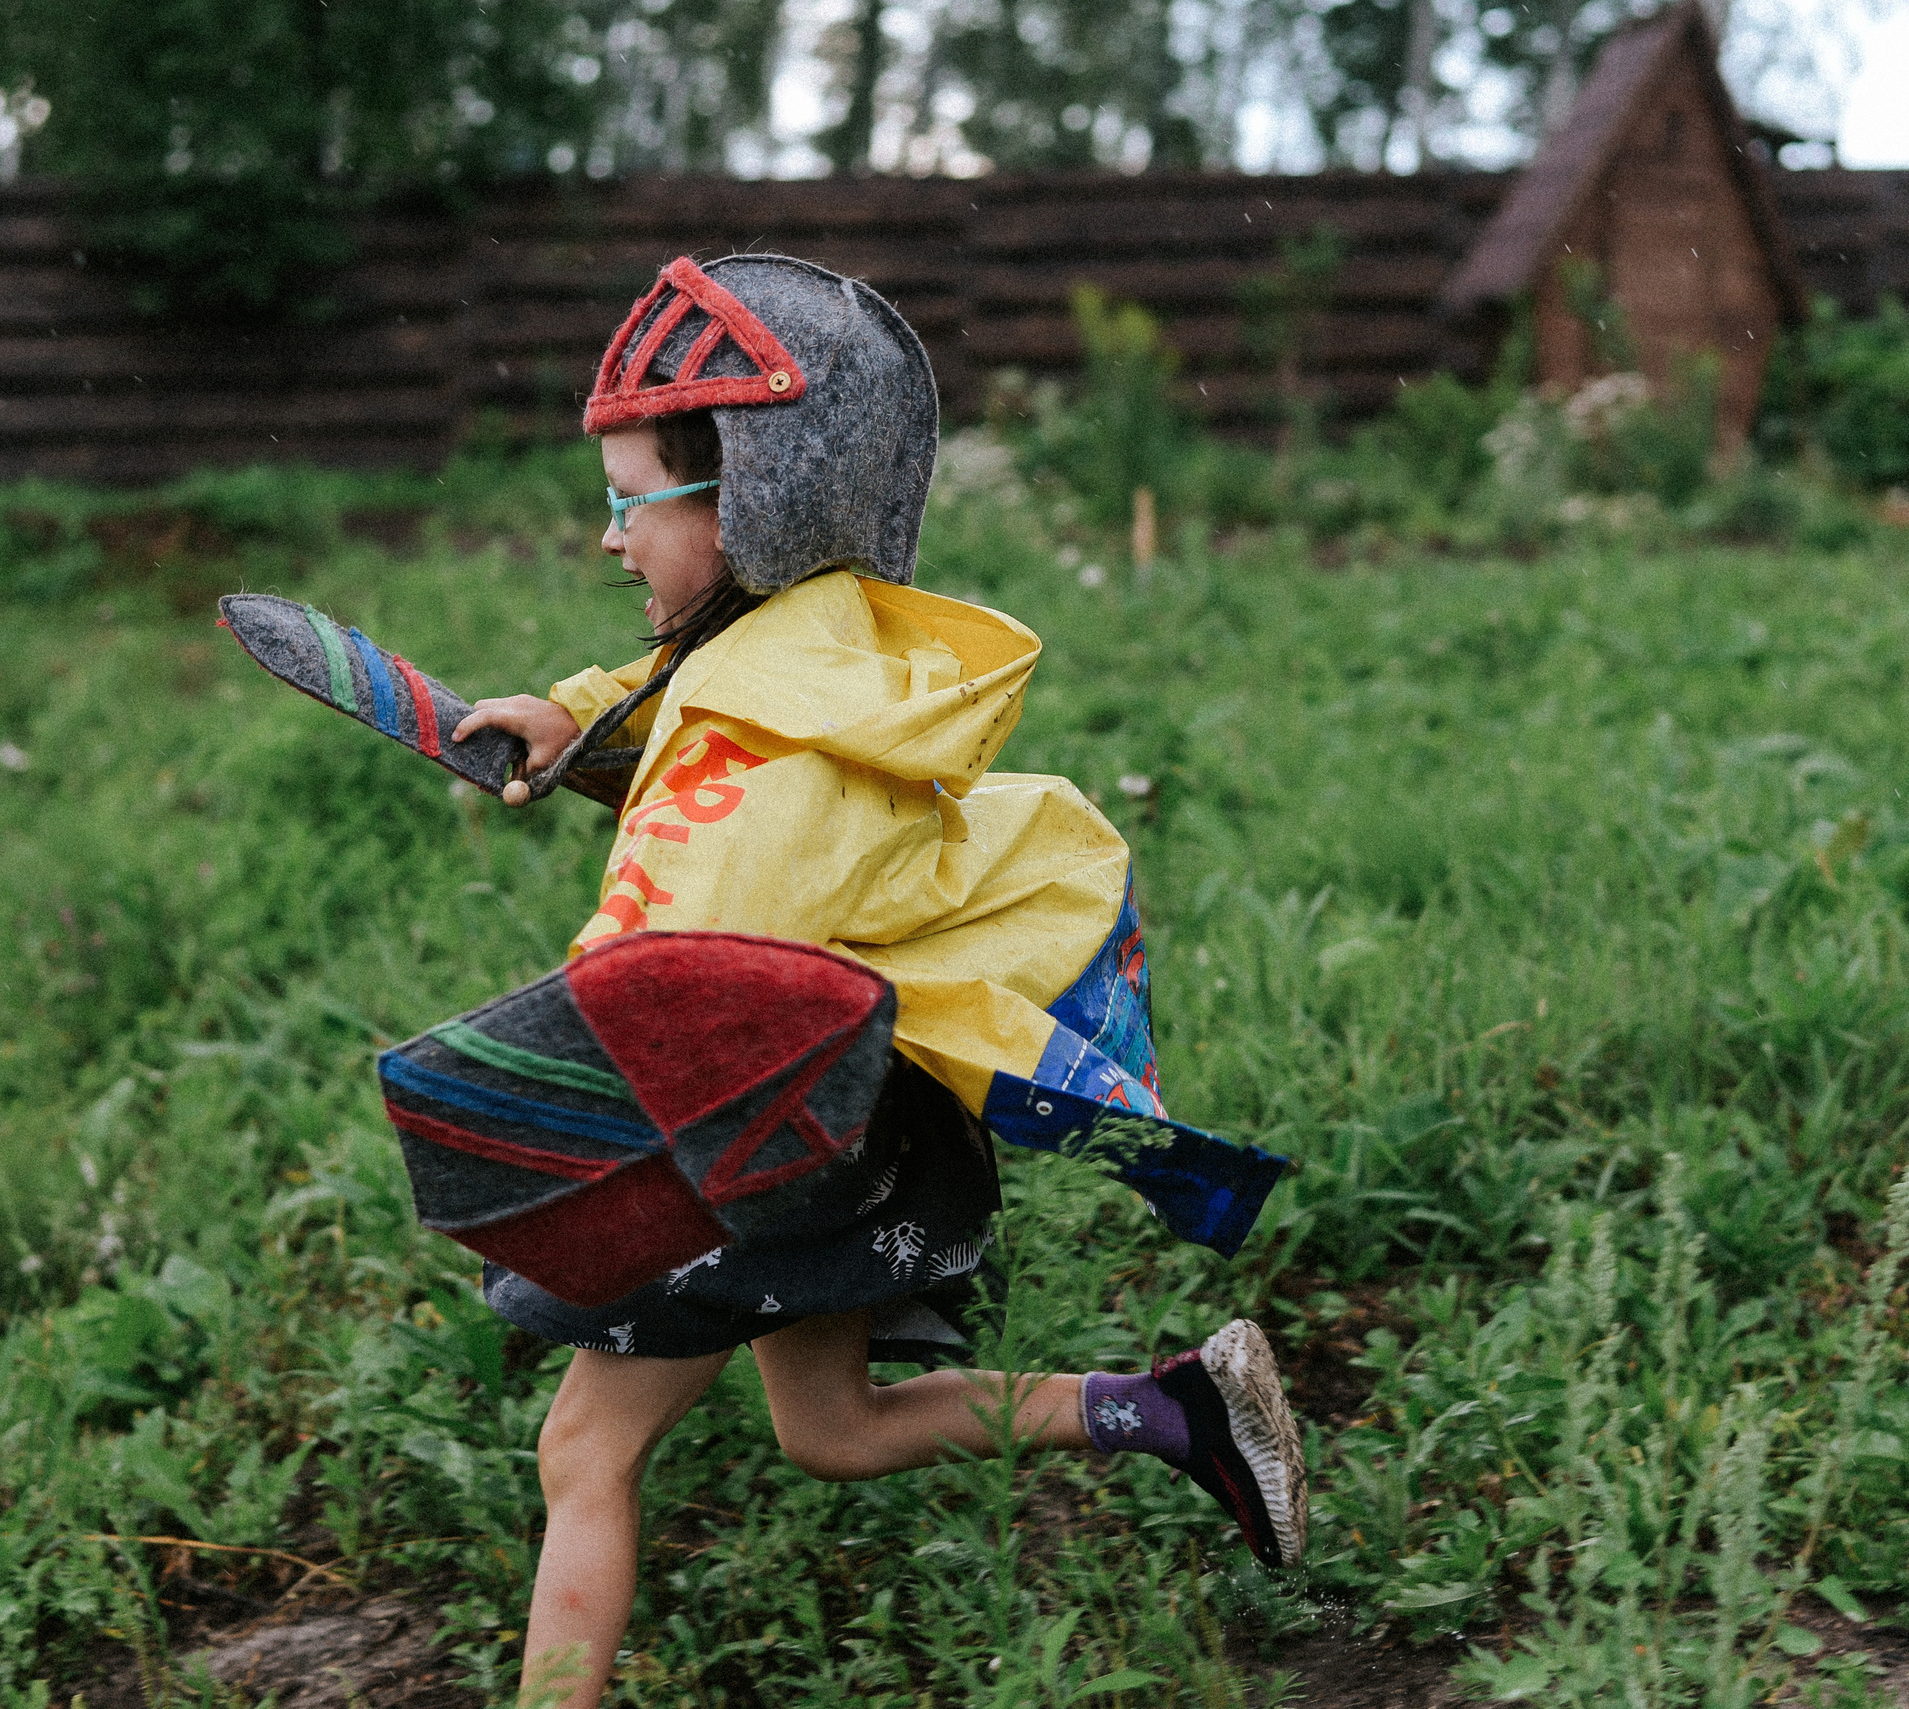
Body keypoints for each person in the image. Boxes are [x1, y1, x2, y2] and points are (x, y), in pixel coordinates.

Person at [444, 255, 1303, 1709]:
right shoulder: (825, 641)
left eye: (625, 500)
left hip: (754, 1128)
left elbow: (659, 970)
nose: (607, 540)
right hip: (847, 1117)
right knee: (831, 1425)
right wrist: (570, 713)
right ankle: (1179, 1410)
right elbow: (679, 695)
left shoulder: (748, 747)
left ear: (750, 500)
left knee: (584, 1452)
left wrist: (553, 1116)